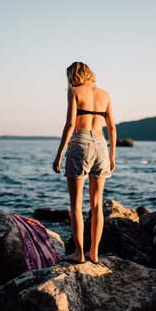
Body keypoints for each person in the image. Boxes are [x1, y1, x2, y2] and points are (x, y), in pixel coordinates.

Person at [53, 62, 116, 264]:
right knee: (97, 204)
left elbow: (71, 123)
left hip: (80, 142)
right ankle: (94, 253)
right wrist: (112, 156)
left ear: (73, 75)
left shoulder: (74, 91)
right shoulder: (105, 94)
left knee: (76, 204)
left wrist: (59, 154)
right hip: (101, 145)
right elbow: (112, 128)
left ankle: (79, 253)